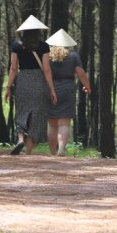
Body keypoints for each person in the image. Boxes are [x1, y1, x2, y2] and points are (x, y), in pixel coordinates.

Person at [4, 15, 57, 155]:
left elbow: (13, 68)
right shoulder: (44, 46)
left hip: (22, 81)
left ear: (24, 31)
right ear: (38, 31)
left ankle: (20, 138)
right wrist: (52, 89)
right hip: (38, 82)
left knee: (21, 112)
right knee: (36, 115)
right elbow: (46, 69)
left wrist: (8, 87)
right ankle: (28, 150)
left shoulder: (16, 46)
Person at [45, 28, 92, 156]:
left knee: (52, 124)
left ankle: (52, 151)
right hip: (67, 89)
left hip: (50, 89)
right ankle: (61, 149)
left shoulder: (47, 56)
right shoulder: (73, 56)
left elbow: (44, 72)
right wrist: (87, 86)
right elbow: (81, 73)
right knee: (64, 123)